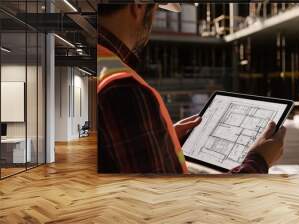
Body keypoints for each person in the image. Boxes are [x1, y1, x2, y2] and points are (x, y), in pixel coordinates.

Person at [97, 3, 287, 174]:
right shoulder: (124, 89)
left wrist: (163, 138)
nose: (155, 18)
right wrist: (259, 161)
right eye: (155, 8)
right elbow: (170, 205)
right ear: (138, 5)